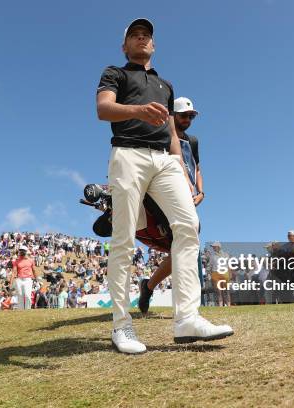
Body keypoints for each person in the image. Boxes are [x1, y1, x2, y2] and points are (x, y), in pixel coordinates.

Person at [96, 18, 232, 354]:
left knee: (188, 226)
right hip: (127, 152)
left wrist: (183, 172)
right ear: (125, 45)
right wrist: (138, 110)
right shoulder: (115, 72)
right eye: (134, 36)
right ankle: (121, 326)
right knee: (124, 237)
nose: (142, 39)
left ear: (153, 45)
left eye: (147, 36)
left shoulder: (166, 85)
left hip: (166, 161)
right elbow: (103, 109)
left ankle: (187, 318)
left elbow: (173, 134)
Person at [138, 96, 205, 313]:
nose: (188, 119)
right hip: (164, 196)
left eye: (191, 116)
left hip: (189, 196)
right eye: (184, 115)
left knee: (184, 245)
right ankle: (185, 309)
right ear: (172, 115)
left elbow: (197, 167)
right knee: (184, 244)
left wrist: (201, 191)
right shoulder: (158, 135)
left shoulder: (192, 141)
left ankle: (148, 287)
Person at [9, 245, 35, 310]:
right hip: (19, 279)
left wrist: (36, 279)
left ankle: (27, 309)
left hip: (28, 279)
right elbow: (14, 272)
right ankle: (21, 310)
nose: (21, 251)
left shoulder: (31, 260)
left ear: (26, 251)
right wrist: (10, 283)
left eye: (23, 250)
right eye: (20, 250)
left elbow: (34, 270)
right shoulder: (16, 261)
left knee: (27, 295)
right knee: (20, 295)